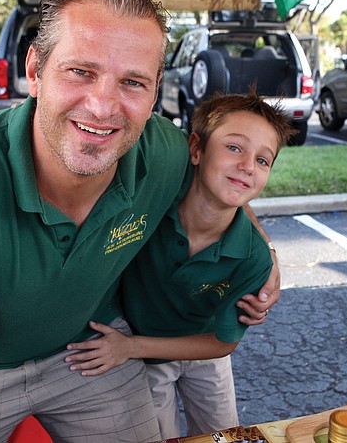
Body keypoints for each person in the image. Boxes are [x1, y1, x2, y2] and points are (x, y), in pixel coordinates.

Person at [0, 0, 279, 443]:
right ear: (36, 71)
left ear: (156, 91)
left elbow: (223, 186)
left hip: (88, 349)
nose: (103, 107)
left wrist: (267, 253)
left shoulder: (162, 151)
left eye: (132, 82)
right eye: (81, 71)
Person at [64, 91, 294, 438]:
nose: (248, 165)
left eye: (263, 160)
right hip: (145, 352)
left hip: (196, 347)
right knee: (160, 436)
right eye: (234, 147)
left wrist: (130, 347)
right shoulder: (154, 200)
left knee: (224, 434)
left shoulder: (254, 258)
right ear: (196, 149)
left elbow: (223, 342)